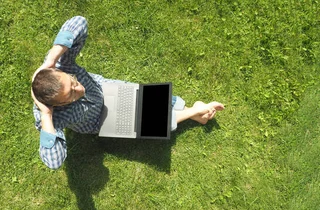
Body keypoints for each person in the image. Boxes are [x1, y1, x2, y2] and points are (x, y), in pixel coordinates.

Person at [31, 16, 224, 170]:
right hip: (101, 120)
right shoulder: (52, 116)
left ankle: (195, 112)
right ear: (57, 106)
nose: (79, 89)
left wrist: (52, 57)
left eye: (73, 82)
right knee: (148, 123)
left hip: (106, 89)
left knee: (149, 98)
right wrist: (46, 116)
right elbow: (54, 161)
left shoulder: (62, 65)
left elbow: (79, 22)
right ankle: (194, 113)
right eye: (72, 96)